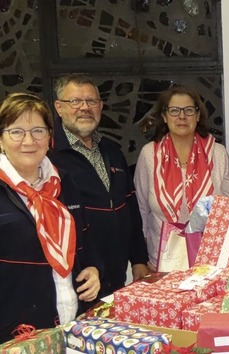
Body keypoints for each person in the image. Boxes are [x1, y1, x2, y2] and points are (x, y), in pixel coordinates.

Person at [0, 93, 101, 341]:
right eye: (16, 132)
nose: (28, 141)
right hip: (18, 336)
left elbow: (85, 241)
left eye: (38, 130)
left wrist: (93, 269)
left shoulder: (65, 183)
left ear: (49, 137)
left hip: (72, 324)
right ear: (1, 139)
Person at [49, 74, 149, 299]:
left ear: (100, 106)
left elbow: (130, 207)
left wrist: (139, 259)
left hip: (116, 278)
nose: (84, 107)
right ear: (59, 107)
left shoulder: (112, 151)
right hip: (79, 281)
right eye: (75, 101)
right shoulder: (48, 156)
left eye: (91, 101)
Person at [134, 86, 229, 270]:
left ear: (198, 116)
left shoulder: (218, 153)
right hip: (161, 263)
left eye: (189, 110)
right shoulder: (149, 154)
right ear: (164, 117)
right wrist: (140, 260)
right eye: (174, 110)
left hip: (210, 263)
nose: (182, 116)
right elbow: (140, 210)